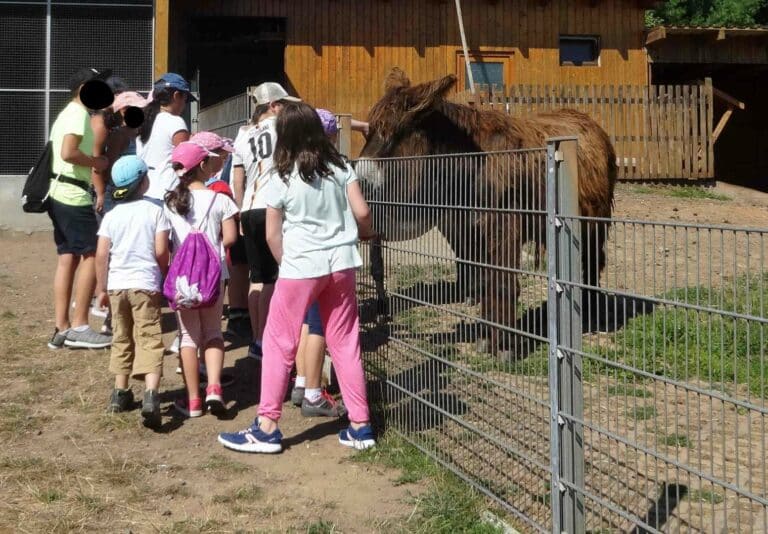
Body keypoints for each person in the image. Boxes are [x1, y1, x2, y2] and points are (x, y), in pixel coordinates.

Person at [218, 102, 377, 454]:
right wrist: (364, 232)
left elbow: (274, 234)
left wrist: (286, 262)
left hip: (301, 266)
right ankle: (360, 426)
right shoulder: (340, 167)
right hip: (342, 264)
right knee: (345, 342)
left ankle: (267, 426)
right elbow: (362, 211)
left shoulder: (281, 175)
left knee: (279, 342)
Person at [95, 156, 170, 428]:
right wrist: (165, 271)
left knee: (122, 336)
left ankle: (120, 392)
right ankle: (151, 394)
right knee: (149, 337)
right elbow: (161, 250)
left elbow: (102, 254)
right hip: (145, 284)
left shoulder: (112, 216)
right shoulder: (155, 211)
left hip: (117, 285)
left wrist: (102, 288)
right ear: (143, 182)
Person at [164, 141, 238, 418]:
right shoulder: (221, 200)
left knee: (187, 337)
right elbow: (230, 238)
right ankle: (215, 389)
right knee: (213, 333)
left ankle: (193, 400)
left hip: (182, 279)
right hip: (214, 276)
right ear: (203, 167)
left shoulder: (169, 202)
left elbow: (165, 240)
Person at [232, 83, 301, 361]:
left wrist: (238, 211)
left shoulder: (242, 134)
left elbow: (238, 177)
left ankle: (256, 339)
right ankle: (269, 338)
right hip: (273, 206)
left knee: (257, 277)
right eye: (283, 103)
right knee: (274, 276)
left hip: (248, 207)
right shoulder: (283, 129)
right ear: (273, 105)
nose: (286, 108)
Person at [47, 67, 113, 350]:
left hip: (58, 192)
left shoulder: (67, 113)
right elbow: (68, 152)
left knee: (67, 257)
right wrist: (96, 163)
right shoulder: (77, 114)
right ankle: (80, 325)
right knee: (90, 254)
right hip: (73, 194)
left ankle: (62, 327)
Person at [137, 73, 193, 203]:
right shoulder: (176, 122)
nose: (184, 105)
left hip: (143, 192)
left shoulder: (144, 121)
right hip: (167, 194)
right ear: (176, 96)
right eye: (184, 100)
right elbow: (185, 163)